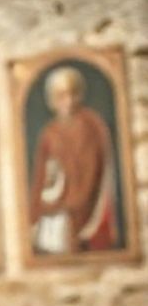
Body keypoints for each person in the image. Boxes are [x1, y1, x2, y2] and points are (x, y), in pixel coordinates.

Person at [28, 66, 118, 254]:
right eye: (61, 96)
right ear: (52, 99)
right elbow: (41, 174)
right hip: (53, 204)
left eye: (72, 94)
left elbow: (94, 168)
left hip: (82, 204)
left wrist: (73, 200)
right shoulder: (49, 132)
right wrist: (38, 210)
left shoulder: (91, 125)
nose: (68, 101)